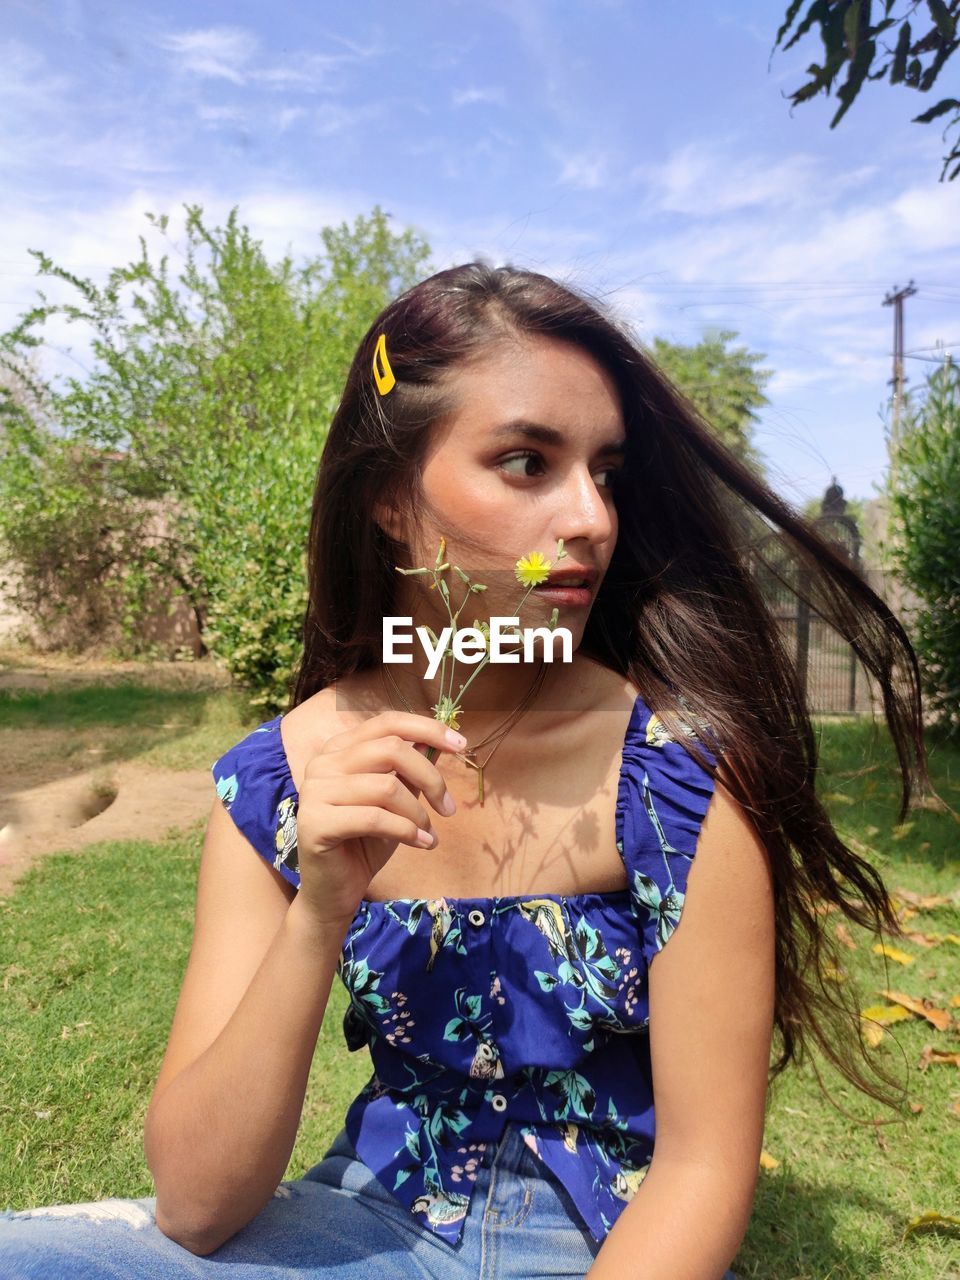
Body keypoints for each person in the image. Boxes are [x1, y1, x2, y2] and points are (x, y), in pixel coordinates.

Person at [0, 262, 928, 1279]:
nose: (592, 516)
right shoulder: (278, 780)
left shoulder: (672, 776)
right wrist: (319, 910)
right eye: (528, 461)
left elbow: (704, 1169)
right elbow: (197, 1200)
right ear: (393, 498)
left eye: (605, 470)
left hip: (606, 1244)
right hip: (364, 1224)